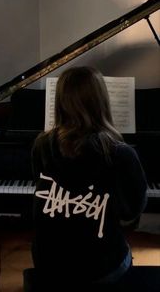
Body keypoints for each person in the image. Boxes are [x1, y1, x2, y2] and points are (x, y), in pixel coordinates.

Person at [29, 66, 147, 290]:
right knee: (119, 250)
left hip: (48, 265)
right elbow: (131, 214)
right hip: (101, 271)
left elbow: (39, 183)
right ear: (101, 101)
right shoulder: (121, 153)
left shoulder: (41, 145)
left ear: (60, 102)